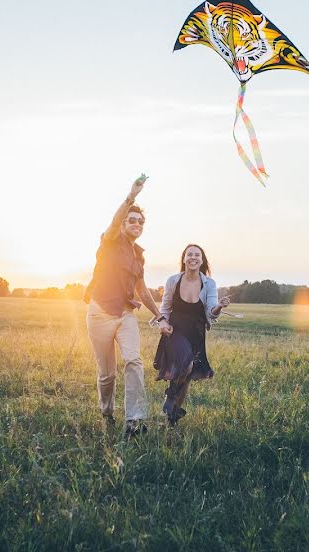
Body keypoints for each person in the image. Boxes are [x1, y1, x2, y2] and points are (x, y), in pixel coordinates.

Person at [84, 176, 165, 437]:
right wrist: (131, 197)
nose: (137, 224)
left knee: (134, 361)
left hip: (126, 314)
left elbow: (142, 289)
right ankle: (106, 411)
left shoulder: (138, 254)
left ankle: (134, 421)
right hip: (100, 314)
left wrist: (160, 315)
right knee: (107, 374)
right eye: (132, 220)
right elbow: (114, 223)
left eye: (141, 222)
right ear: (122, 224)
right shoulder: (109, 242)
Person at [153, 244, 230, 425]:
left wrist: (219, 306)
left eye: (197, 255)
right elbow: (165, 306)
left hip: (196, 332)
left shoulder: (209, 283)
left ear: (202, 260)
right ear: (184, 258)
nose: (193, 258)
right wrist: (162, 323)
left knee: (187, 375)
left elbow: (211, 311)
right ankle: (171, 395)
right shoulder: (173, 280)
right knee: (185, 365)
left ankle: (172, 418)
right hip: (175, 329)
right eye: (190, 255)